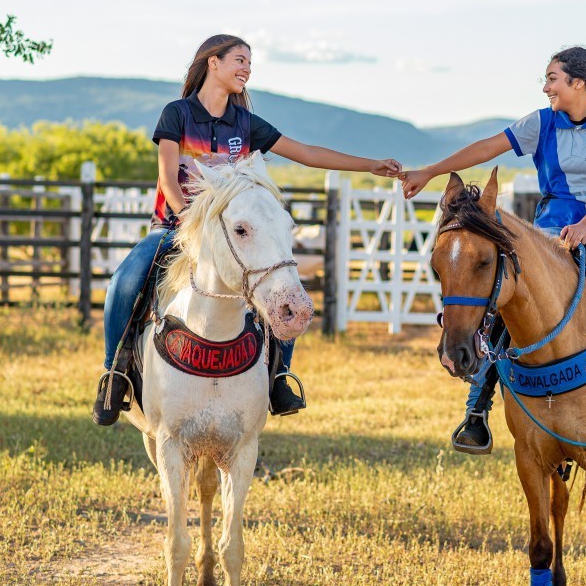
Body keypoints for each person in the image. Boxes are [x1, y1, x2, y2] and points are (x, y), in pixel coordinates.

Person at [92, 34, 402, 426]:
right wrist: (190, 222)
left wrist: (369, 165)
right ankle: (114, 374)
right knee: (125, 279)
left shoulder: (246, 123)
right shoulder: (177, 114)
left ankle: (279, 377)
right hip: (175, 226)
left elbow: (307, 153)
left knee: (278, 284)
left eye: (250, 63)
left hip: (233, 237)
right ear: (213, 63)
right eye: (239, 60)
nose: (247, 69)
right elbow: (168, 179)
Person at [401, 46, 586, 459]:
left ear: (577, 82)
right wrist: (429, 171)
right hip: (547, 232)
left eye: (552, 78)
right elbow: (485, 148)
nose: (545, 87)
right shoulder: (541, 122)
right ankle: (477, 409)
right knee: (501, 305)